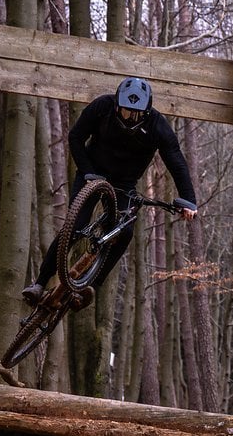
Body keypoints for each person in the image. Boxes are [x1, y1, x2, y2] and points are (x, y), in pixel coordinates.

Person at [21, 77, 198, 305]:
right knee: (74, 228)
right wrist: (86, 171)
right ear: (116, 104)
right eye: (125, 112)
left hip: (125, 183)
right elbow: (75, 137)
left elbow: (177, 162)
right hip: (92, 172)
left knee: (124, 232)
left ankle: (90, 288)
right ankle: (39, 283)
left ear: (146, 111)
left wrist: (189, 201)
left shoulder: (157, 126)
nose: (129, 118)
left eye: (135, 114)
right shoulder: (101, 107)